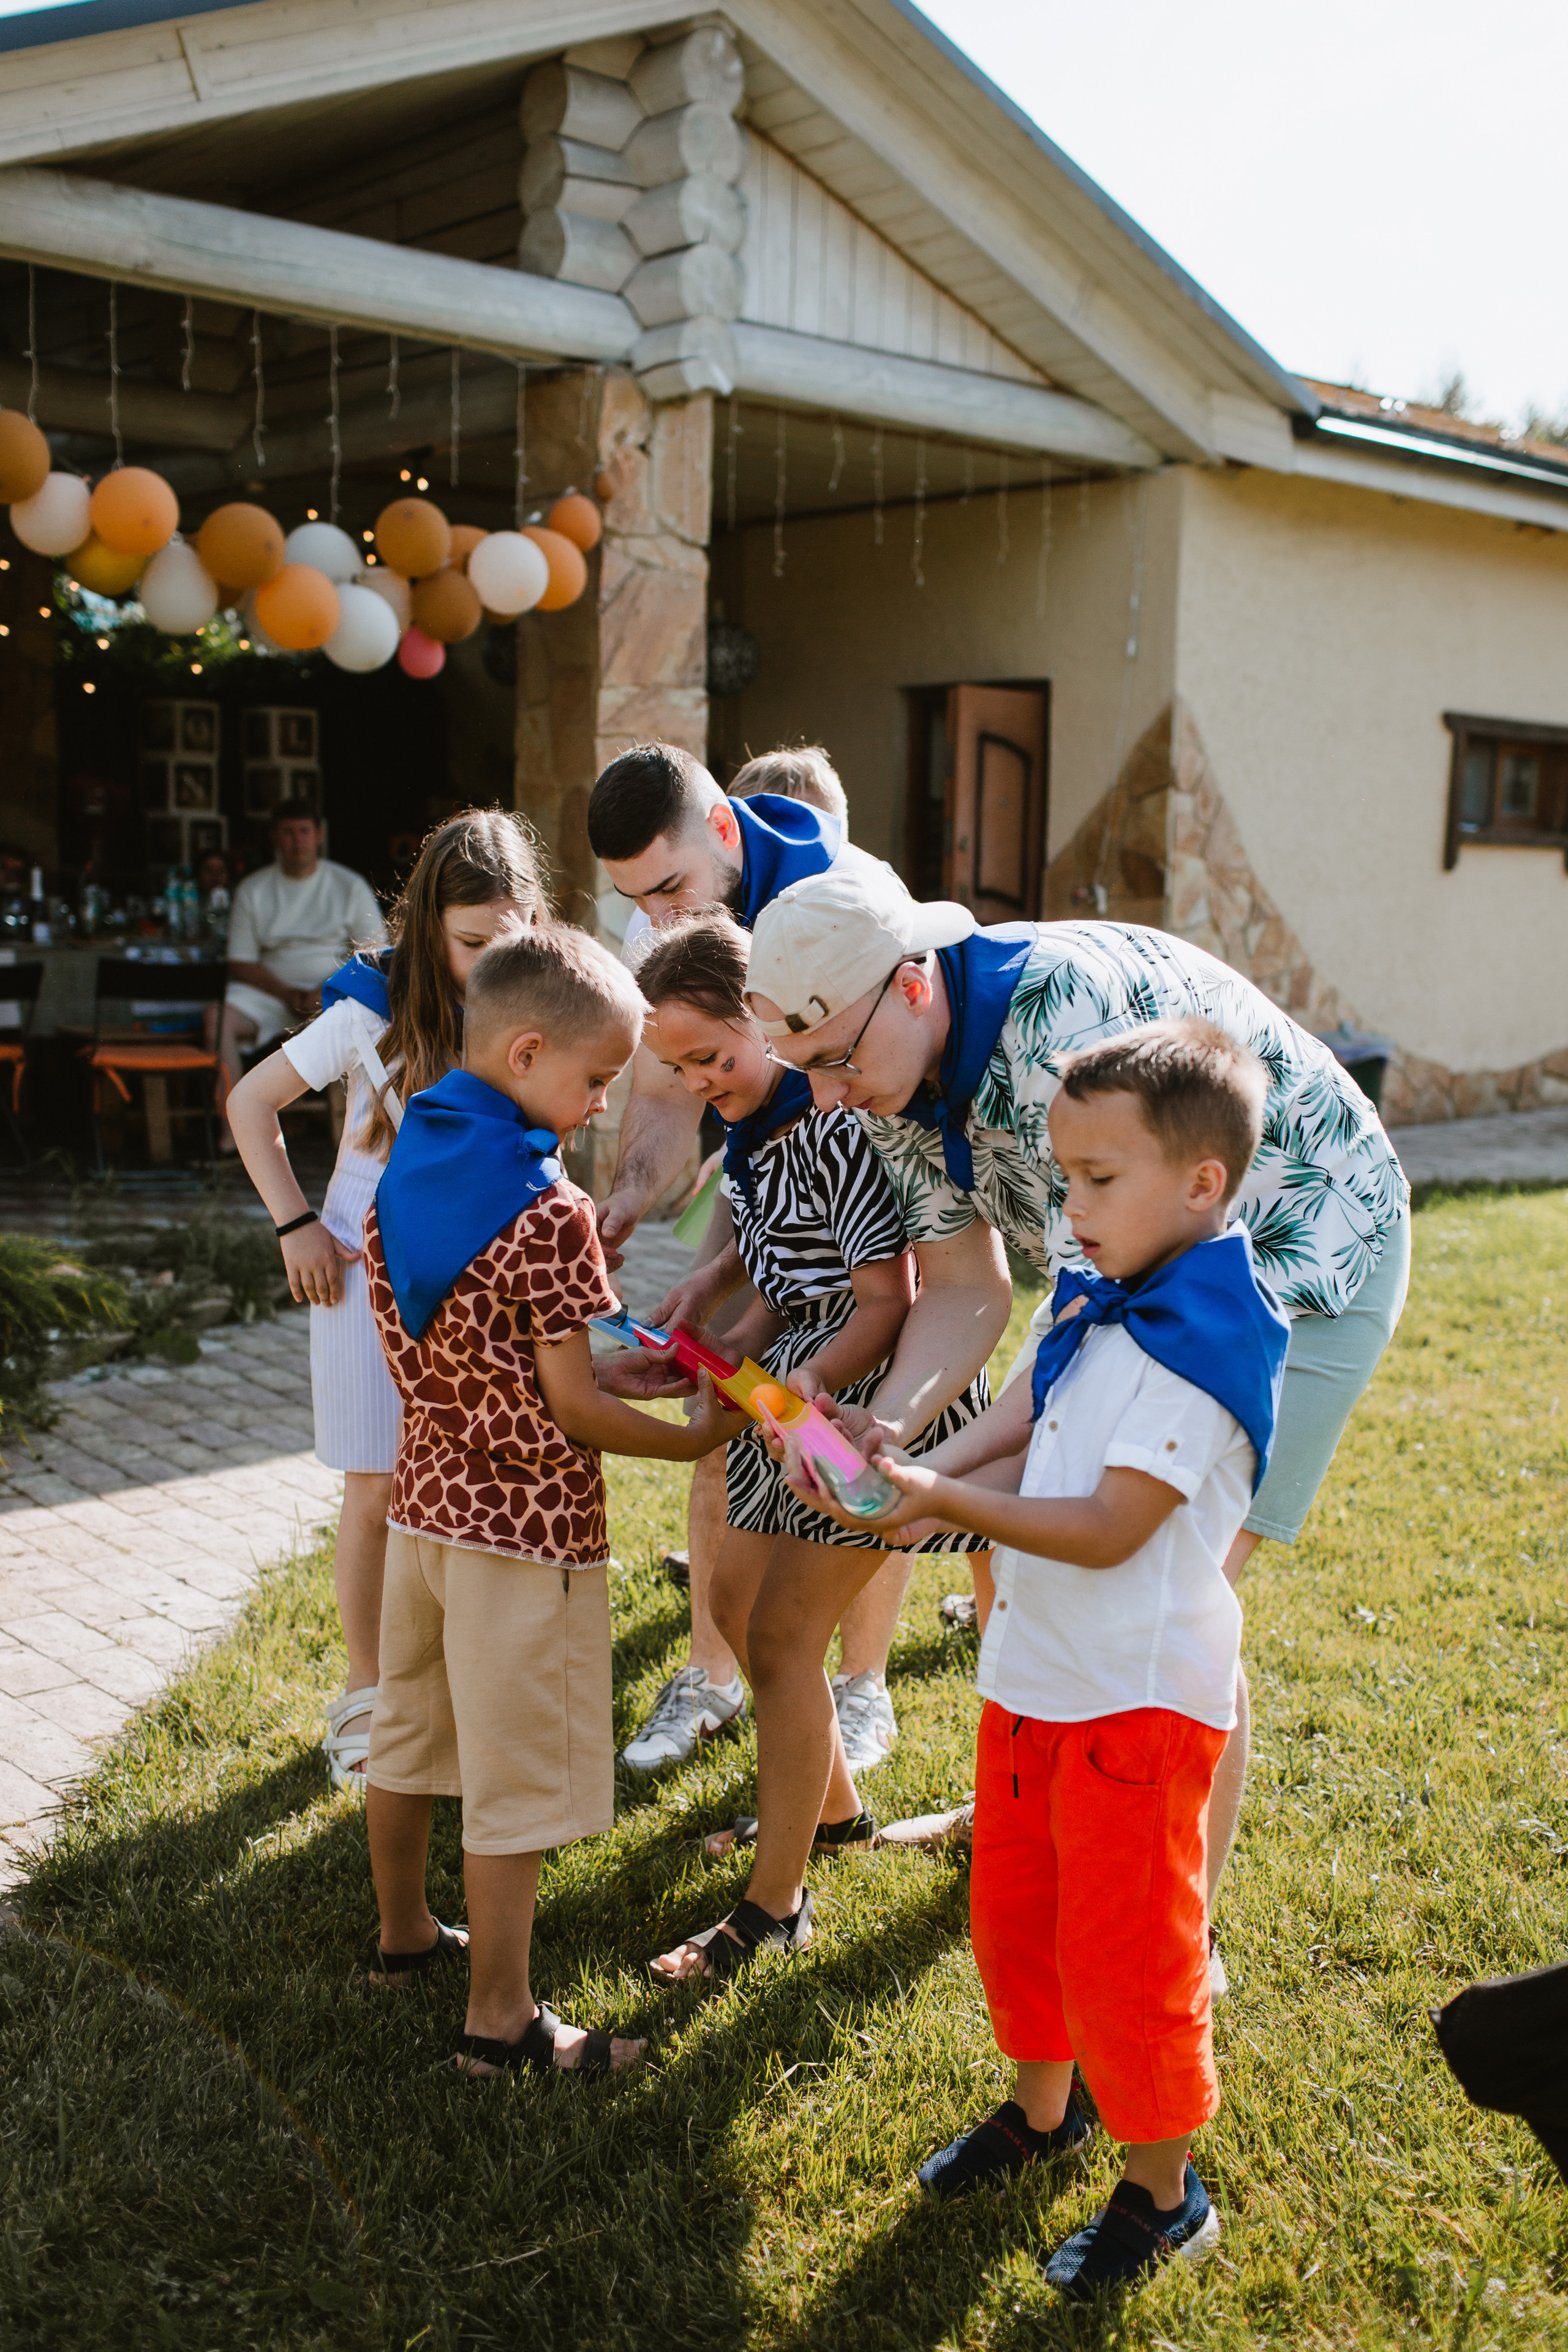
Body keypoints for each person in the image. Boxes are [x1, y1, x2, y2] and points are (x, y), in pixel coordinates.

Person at [745, 865, 1411, 1938]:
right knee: (1036, 1561)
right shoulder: (884, 1072)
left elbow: (1076, 1338)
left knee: (1179, 1601)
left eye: (833, 1063)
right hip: (1117, 1293)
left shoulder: (1065, 1025)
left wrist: (937, 1486)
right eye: (803, 1070)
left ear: (912, 987)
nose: (827, 1096)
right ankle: (1038, 1822)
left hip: (1313, 1253)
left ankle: (1172, 1935)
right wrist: (899, 1430)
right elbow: (968, 1287)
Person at [815, 1022, 1289, 2298]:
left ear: (1199, 1185)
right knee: (1016, 1918)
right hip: (1030, 1685)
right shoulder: (1094, 1291)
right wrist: (912, 1475)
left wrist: (946, 1503)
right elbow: (1024, 1428)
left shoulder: (1200, 1341)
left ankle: (1161, 2191)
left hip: (1136, 1708)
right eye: (1063, 1177)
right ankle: (1042, 2113)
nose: (1067, 1207)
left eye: (1097, 1180)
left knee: (1129, 1956)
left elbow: (1108, 1525)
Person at [358, 924, 737, 2077]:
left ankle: (404, 1932)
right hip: (525, 1535)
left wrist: (615, 1370)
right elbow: (570, 1411)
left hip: (424, 1513)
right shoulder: (549, 1210)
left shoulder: (405, 1166)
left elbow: (500, 1355)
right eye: (599, 1080)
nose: (604, 1107)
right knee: (514, 1777)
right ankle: (503, 2021)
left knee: (410, 1733)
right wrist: (686, 1443)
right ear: (527, 1054)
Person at [619, 913, 989, 1971]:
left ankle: (776, 1907)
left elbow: (885, 1296)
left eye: (712, 1055)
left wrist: (808, 1381)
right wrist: (709, 1346)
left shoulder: (835, 1122)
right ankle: (827, 1819)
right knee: (732, 1609)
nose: (697, 1079)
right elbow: (782, 1287)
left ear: (767, 1022)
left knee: (781, 1639)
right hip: (786, 1399)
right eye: (678, 1065)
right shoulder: (748, 1132)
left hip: (857, 1405)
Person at [594, 742, 944, 1781]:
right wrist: (628, 1203)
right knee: (726, 1386)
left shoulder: (847, 898)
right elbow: (670, 1098)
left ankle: (859, 1683)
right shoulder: (662, 930)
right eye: (633, 899)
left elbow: (880, 1140)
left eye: (668, 890)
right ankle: (717, 1668)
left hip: (858, 1185)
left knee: (854, 1462)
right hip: (764, 1180)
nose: (655, 914)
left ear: (724, 832)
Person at [224, 812, 545, 1787]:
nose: (493, 964)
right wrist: (294, 1226)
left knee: (465, 1481)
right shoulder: (370, 1010)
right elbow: (250, 1103)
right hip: (363, 1260)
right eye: (472, 945)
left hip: (483, 1267)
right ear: (427, 930)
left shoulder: (542, 995)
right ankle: (369, 1695)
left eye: (513, 939)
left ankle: (456, 1679)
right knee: (374, 1489)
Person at [217, 799, 385, 1111]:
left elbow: (374, 951)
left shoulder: (348, 885)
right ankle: (232, 1124)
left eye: (304, 831)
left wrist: (327, 989)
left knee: (374, 1015)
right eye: (288, 832)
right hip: (270, 993)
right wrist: (286, 993)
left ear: (320, 835)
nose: (297, 841)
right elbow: (240, 962)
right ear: (275, 838)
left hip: (334, 992)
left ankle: (358, 1125)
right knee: (218, 1020)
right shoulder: (253, 888)